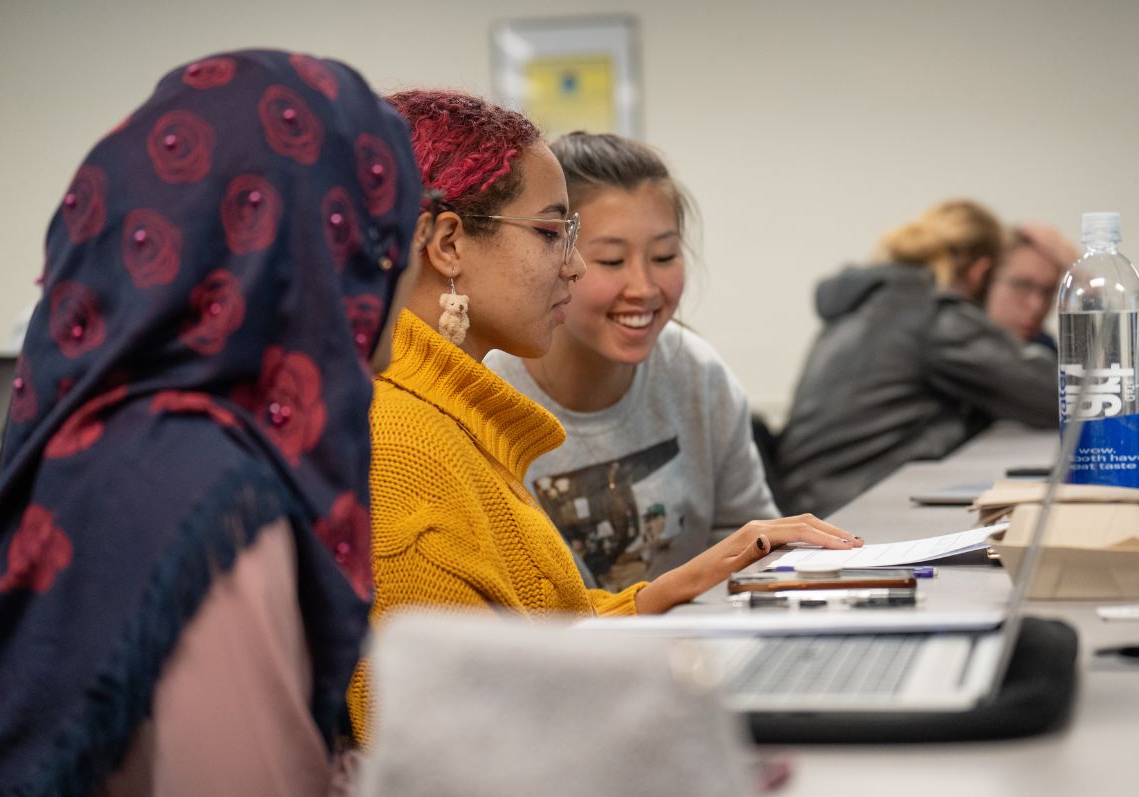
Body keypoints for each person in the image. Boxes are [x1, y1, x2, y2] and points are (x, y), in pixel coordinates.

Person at [0, 49, 423, 795]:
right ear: (317, 247)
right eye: (390, 242)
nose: (402, 280)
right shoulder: (210, 492)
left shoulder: (104, 440)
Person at [354, 90, 861, 742]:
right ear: (449, 243)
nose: (571, 263)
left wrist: (695, 573)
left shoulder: (451, 412)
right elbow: (451, 743)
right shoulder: (400, 440)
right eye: (551, 234)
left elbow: (542, 631)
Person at [486, 131, 782, 592]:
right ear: (557, 259)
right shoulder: (485, 394)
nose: (644, 287)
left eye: (664, 255)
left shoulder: (697, 375)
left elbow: (754, 544)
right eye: (611, 260)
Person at [778, 200, 1059, 518]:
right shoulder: (934, 315)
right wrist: (1080, 272)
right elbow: (1057, 397)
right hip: (856, 511)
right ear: (982, 273)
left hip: (817, 504)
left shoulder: (873, 303)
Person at [984, 223, 1078, 351]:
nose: (1037, 306)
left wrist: (1081, 273)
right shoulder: (954, 351)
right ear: (987, 280)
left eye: (1047, 292)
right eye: (1022, 286)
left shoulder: (1044, 350)